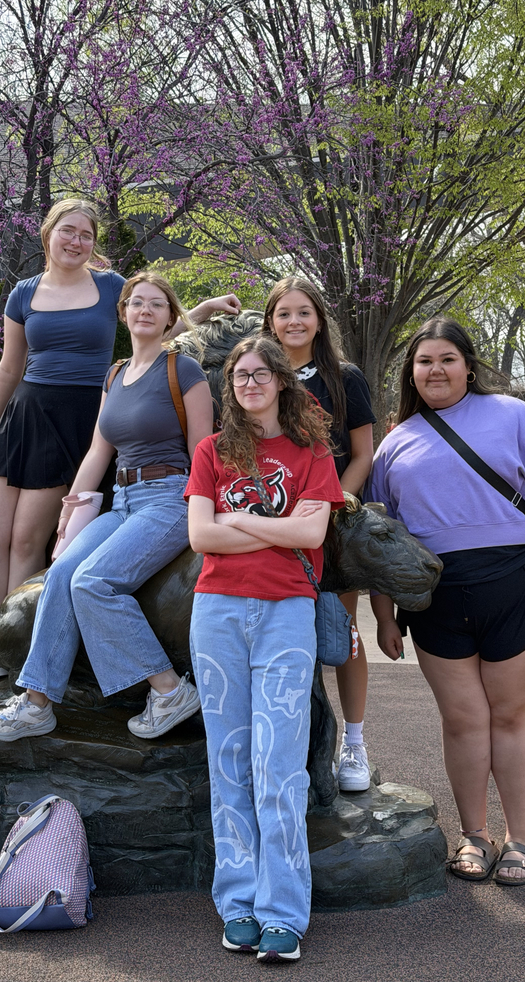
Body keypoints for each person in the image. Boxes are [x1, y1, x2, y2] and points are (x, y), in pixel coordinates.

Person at [366, 316, 525, 886]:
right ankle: (474, 836)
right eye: (424, 362)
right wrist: (384, 614)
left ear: (468, 365)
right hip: (433, 596)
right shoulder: (396, 442)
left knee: (508, 715)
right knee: (463, 720)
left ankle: (521, 840)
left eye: (446, 359)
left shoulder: (517, 418)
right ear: (411, 373)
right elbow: (383, 537)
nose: (435, 370)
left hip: (513, 585)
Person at [0, 198, 240, 632]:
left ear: (94, 245)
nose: (76, 241)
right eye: (68, 231)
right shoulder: (23, 293)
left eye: (86, 235)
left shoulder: (111, 286)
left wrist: (203, 309)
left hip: (81, 415)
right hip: (24, 414)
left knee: (25, 540)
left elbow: (156, 321)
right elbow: (8, 368)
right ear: (48, 233)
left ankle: (11, 640)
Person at [0, 270, 215, 741]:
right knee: (62, 574)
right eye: (136, 302)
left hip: (169, 497)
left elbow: (203, 450)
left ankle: (168, 689)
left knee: (94, 582)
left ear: (171, 318)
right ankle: (37, 703)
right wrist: (70, 511)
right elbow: (97, 452)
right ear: (123, 312)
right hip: (122, 500)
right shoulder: (115, 375)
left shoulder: (183, 371)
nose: (145, 310)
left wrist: (206, 514)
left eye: (156, 304)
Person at [186, 335, 344, 961]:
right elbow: (201, 536)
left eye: (260, 373)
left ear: (282, 380)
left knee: (279, 763)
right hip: (218, 612)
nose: (249, 383)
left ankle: (283, 911)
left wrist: (241, 523)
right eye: (239, 375)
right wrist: (279, 533)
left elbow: (312, 531)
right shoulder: (213, 451)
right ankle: (239, 901)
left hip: (286, 614)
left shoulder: (311, 453)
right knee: (229, 759)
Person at [262, 277, 376, 791]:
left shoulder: (343, 378)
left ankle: (354, 743)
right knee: (284, 637)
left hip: (329, 524)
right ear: (270, 322)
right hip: (272, 525)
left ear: (319, 320)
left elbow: (363, 453)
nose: (294, 322)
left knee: (342, 633)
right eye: (283, 313)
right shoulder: (256, 374)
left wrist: (334, 505)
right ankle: (299, 744)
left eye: (303, 312)